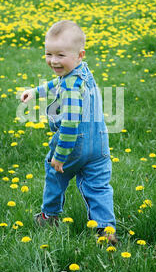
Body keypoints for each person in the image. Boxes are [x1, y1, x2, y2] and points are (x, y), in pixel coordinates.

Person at [21, 20, 117, 244]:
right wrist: (35, 91)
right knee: (99, 186)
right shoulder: (82, 70)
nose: (53, 61)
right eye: (49, 54)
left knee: (54, 175)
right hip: (99, 144)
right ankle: (106, 230)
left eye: (60, 55)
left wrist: (60, 156)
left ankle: (49, 216)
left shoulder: (72, 88)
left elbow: (70, 125)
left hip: (75, 145)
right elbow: (59, 81)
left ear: (79, 55)